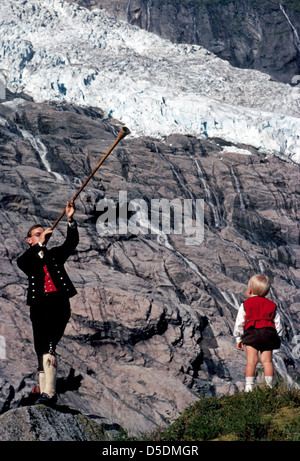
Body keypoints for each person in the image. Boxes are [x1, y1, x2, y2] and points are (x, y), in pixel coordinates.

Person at [17, 201, 79, 405]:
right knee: (40, 347)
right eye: (36, 234)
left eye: (42, 232)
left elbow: (71, 244)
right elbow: (27, 263)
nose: (41, 235)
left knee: (50, 344)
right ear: (29, 240)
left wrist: (70, 220)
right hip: (39, 306)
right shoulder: (26, 259)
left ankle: (49, 394)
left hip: (59, 303)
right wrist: (41, 243)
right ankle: (45, 392)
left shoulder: (54, 256)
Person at [233, 274, 283, 392]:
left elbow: (240, 323)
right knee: (267, 361)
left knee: (251, 361)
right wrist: (278, 336)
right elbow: (278, 323)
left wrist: (238, 338)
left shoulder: (245, 304)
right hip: (268, 335)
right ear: (266, 292)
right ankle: (269, 386)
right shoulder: (272, 305)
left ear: (249, 290)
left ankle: (249, 387)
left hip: (252, 335)